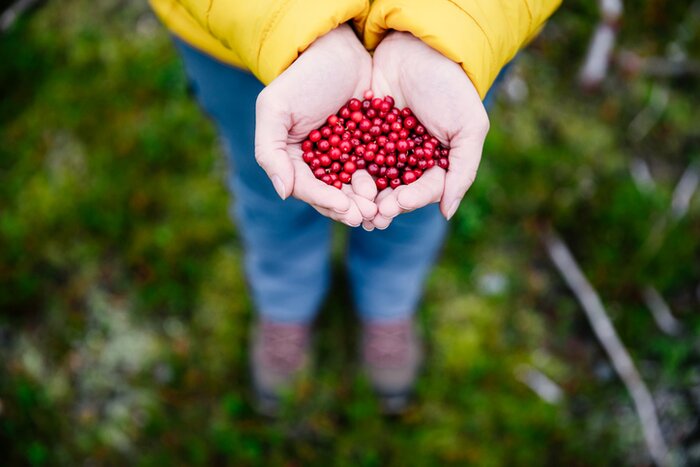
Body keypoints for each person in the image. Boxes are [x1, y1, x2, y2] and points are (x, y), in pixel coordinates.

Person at [149, 0, 561, 414]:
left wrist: (450, 24)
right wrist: (293, 22)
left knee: (416, 198)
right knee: (273, 183)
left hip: (467, 35)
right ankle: (285, 304)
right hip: (240, 30)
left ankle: (389, 303)